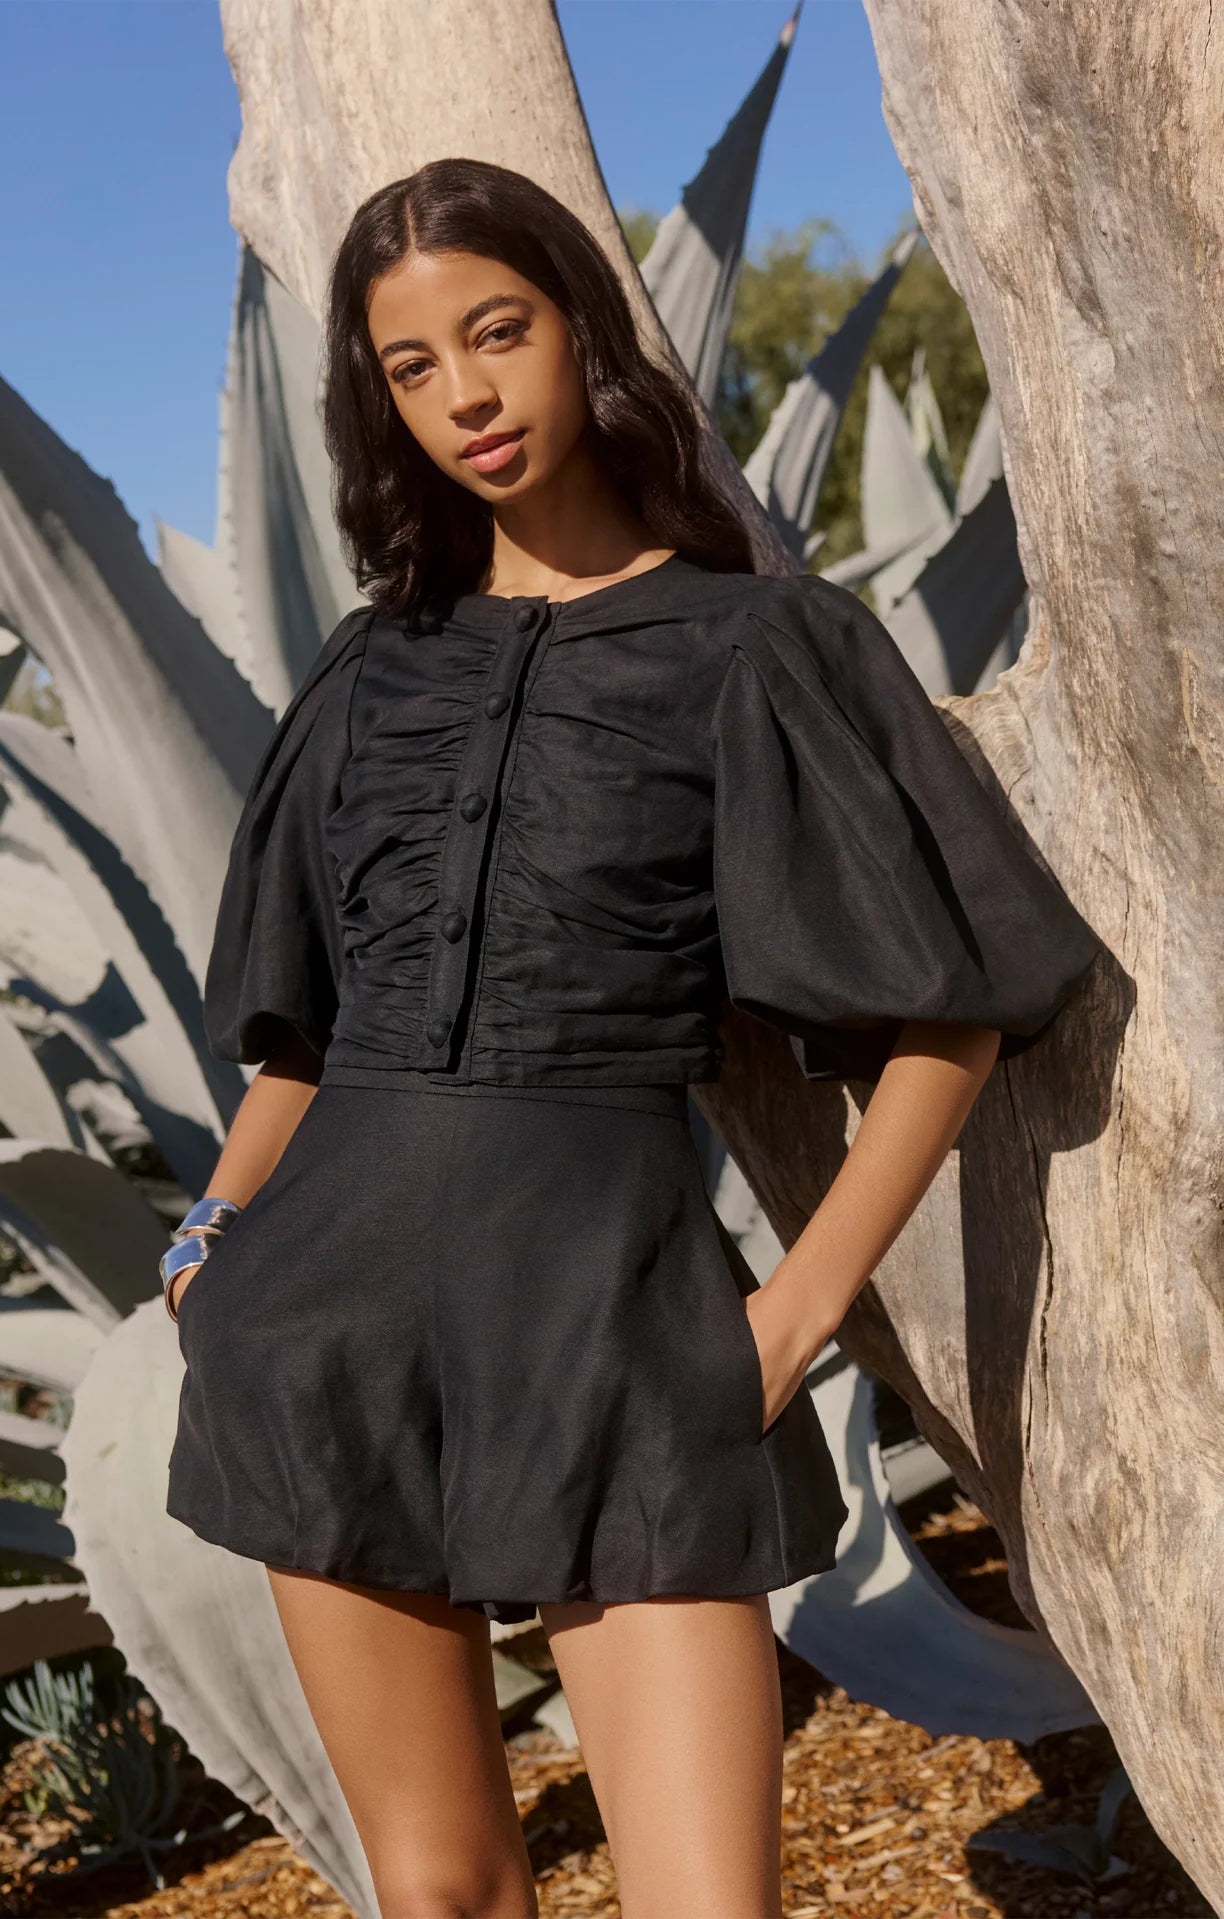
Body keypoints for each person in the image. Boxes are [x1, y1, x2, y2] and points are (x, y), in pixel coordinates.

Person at [164, 157, 1102, 1919]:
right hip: (327, 1340)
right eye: (412, 367)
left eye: (494, 333)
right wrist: (212, 1242)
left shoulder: (756, 644)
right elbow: (298, 1038)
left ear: (576, 328)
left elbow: (947, 1016)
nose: (467, 396)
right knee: (444, 1895)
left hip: (624, 1344)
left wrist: (791, 1320)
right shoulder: (371, 676)